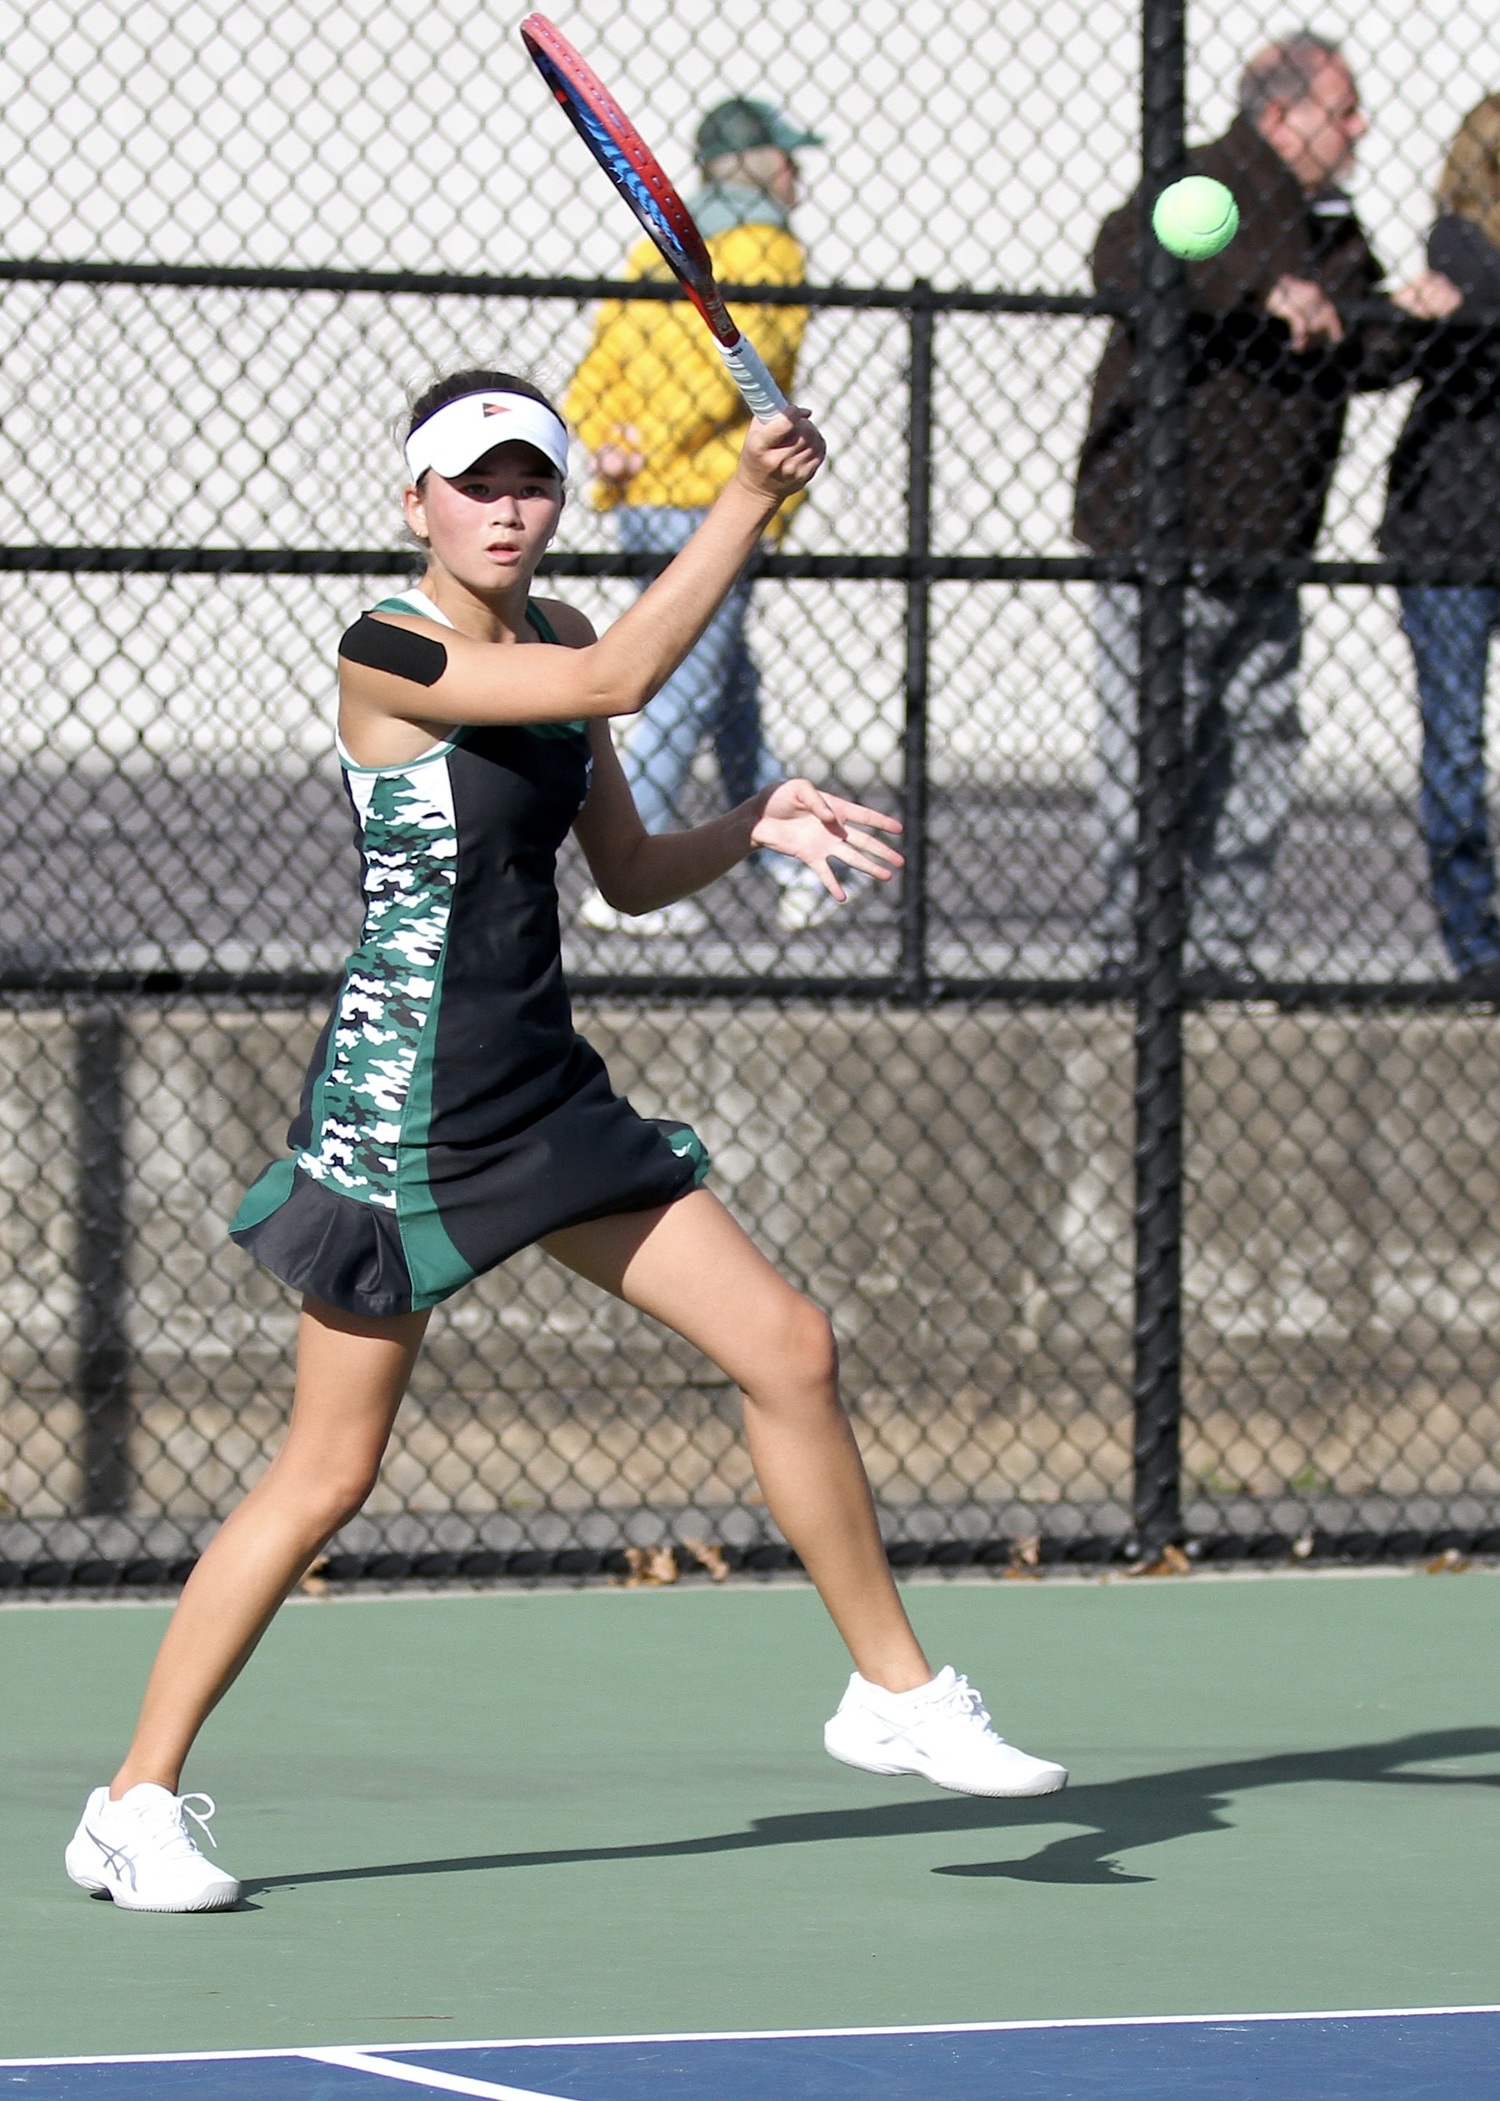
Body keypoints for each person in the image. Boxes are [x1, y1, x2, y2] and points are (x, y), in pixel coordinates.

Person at [63, 371, 1066, 1914]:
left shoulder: (544, 643)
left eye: (533, 478)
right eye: (477, 482)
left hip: (542, 1088)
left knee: (788, 1346)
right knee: (328, 1474)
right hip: (408, 1103)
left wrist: (753, 822)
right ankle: (133, 1803)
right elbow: (625, 678)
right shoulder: (390, 649)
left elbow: (631, 869)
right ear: (417, 505)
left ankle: (893, 1693)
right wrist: (747, 495)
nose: (512, 504)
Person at [1075, 32, 1438, 971]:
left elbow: (1358, 349)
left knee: (1259, 739)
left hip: (1269, 538)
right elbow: (1120, 254)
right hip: (1164, 528)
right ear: (1280, 115)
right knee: (1154, 740)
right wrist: (1258, 286)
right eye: (1342, 109)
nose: (1360, 127)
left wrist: (1413, 317)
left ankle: (1220, 947)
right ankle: (1136, 946)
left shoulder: (1328, 217)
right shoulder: (1205, 183)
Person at [565, 96, 836, 936]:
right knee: (686, 677)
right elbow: (747, 368)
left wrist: (612, 436)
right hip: (708, 498)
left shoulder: (653, 251)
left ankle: (795, 856)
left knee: (726, 684)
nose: (797, 172)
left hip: (646, 494)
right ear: (754, 163)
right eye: (784, 156)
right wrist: (648, 439)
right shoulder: (768, 247)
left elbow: (604, 355)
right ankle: (623, 886)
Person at [1379, 97, 1500, 988]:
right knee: (1454, 739)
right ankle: (1477, 944)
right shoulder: (1457, 242)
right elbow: (1476, 290)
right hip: (1451, 531)